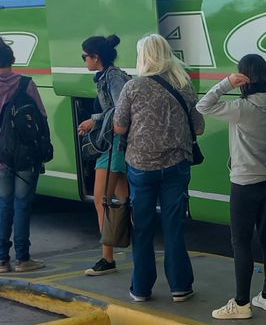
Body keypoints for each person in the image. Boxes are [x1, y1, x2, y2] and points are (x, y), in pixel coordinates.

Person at [112, 33, 205, 303]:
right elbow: (198, 126)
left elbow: (119, 126)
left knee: (142, 227)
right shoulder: (184, 84)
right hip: (177, 166)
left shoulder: (133, 87)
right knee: (173, 226)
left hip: (141, 166)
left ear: (143, 57)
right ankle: (180, 287)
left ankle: (141, 288)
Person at [197, 53, 266, 320]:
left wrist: (226, 83)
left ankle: (242, 303)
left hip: (246, 183)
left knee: (241, 242)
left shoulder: (241, 108)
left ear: (245, 77)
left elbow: (203, 106)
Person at [0, 38, 48, 273]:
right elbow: (41, 116)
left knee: (4, 205)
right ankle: (23, 259)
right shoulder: (26, 84)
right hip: (26, 157)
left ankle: (1, 260)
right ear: (13, 60)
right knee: (22, 205)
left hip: (0, 158)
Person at [75, 35, 131, 277]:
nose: (84, 61)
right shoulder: (108, 76)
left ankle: (107, 258)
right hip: (115, 142)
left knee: (101, 200)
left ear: (96, 57)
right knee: (126, 198)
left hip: (113, 143)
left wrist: (94, 120)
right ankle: (140, 249)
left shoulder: (113, 77)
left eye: (85, 56)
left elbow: (122, 109)